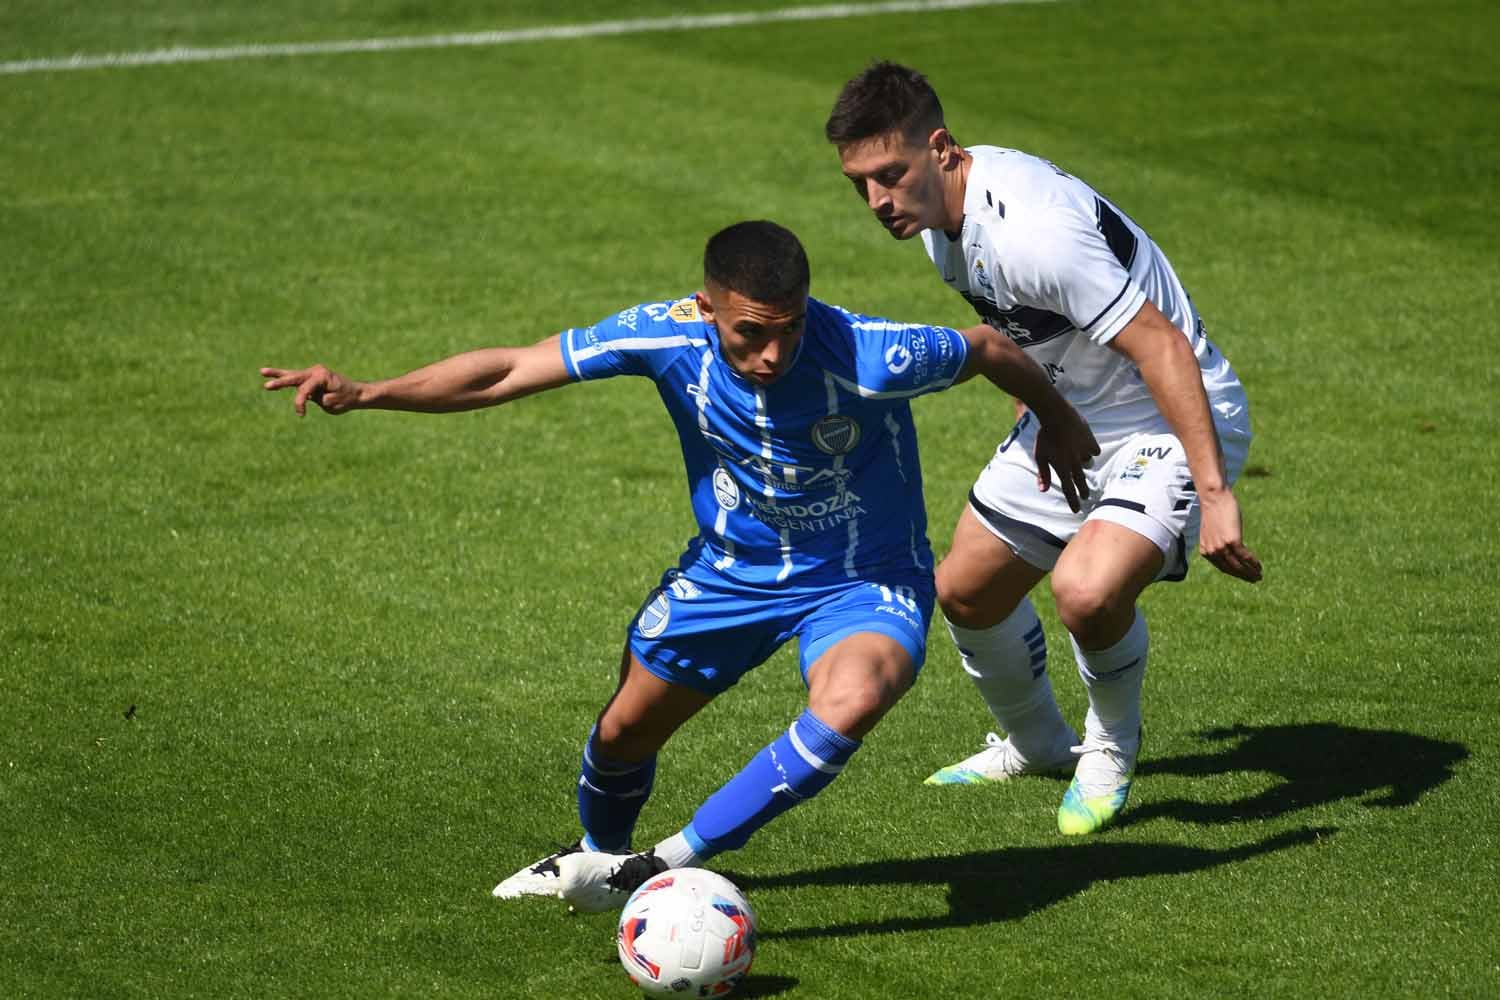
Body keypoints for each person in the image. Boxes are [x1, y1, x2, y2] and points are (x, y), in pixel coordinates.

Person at [261, 220, 1097, 908]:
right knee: (624, 731)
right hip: (730, 572)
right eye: (751, 333)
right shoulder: (665, 332)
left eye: (790, 328)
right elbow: (515, 367)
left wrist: (1057, 418)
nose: (774, 353)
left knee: (857, 695)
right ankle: (597, 859)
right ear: (707, 309)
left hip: (861, 580)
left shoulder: (869, 353)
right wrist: (369, 391)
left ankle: (657, 866)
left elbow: (987, 346)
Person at [826, 63, 1263, 835]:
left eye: (890, 176)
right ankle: (1036, 744)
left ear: (942, 148)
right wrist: (1050, 415)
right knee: (965, 591)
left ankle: (1108, 751)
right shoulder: (942, 218)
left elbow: (1162, 347)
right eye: (860, 183)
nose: (877, 202)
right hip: (1076, 407)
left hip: (1166, 414)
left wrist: (1218, 493)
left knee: (1087, 592)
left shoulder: (1032, 231)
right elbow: (1016, 333)